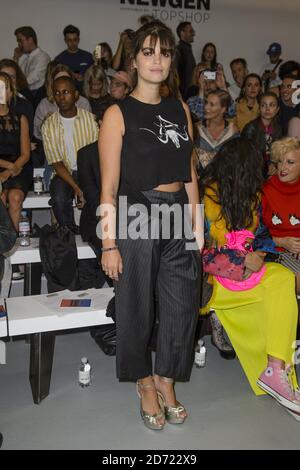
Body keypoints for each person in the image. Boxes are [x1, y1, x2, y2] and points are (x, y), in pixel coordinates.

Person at [99, 21, 203, 430]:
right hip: (137, 212)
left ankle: (166, 378)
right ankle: (143, 381)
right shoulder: (117, 113)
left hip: (179, 210)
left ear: (171, 60)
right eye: (148, 51)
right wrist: (109, 242)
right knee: (136, 306)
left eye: (164, 52)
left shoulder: (180, 109)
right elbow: (107, 186)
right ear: (135, 60)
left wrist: (197, 223)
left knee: (182, 306)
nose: (156, 59)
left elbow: (190, 169)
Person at [202, 137, 300, 420]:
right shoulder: (205, 198)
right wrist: (240, 261)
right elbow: (194, 254)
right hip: (213, 284)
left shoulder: (251, 196)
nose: (263, 173)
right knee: (277, 287)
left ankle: (275, 370)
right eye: (255, 168)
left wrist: (257, 252)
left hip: (248, 276)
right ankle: (282, 382)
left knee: (282, 279)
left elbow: (264, 238)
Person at [42, 76, 98, 230]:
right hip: (63, 174)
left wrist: (86, 185)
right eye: (57, 93)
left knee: (95, 196)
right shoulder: (48, 125)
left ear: (76, 95)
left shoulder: (91, 120)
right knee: (59, 197)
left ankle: (92, 232)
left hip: (89, 172)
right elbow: (56, 163)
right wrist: (77, 189)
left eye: (66, 92)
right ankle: (69, 233)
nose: (61, 97)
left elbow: (97, 156)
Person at [262, 137, 300, 294]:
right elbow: (251, 234)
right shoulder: (265, 191)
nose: (283, 167)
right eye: (280, 161)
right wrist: (280, 241)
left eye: (290, 162)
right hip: (275, 252)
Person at [0, 72, 32, 231]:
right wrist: (8, 167)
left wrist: (10, 171)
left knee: (15, 197)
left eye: (4, 87)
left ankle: (11, 241)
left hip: (18, 168)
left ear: (11, 93)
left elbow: (26, 154)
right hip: (8, 166)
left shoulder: (21, 118)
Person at [194, 89, 239, 175]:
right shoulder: (196, 128)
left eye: (212, 104)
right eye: (206, 103)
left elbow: (235, 161)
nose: (206, 107)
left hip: (223, 181)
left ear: (223, 109)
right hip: (199, 181)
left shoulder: (232, 130)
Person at [242, 92, 282, 178]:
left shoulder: (279, 129)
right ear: (259, 108)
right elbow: (245, 156)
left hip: (270, 169)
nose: (267, 109)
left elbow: (278, 152)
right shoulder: (250, 128)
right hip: (253, 170)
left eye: (271, 105)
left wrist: (274, 164)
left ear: (277, 109)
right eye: (263, 105)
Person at [55, 25, 93, 91]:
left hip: (86, 93)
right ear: (65, 40)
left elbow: (94, 77)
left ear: (78, 40)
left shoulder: (88, 56)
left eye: (75, 40)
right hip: (66, 94)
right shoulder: (59, 59)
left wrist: (84, 78)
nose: (72, 43)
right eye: (69, 40)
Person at [13, 26, 50, 94]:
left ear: (30, 39)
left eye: (20, 40)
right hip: (25, 94)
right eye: (18, 41)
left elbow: (28, 81)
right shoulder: (23, 57)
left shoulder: (43, 57)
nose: (19, 44)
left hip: (36, 96)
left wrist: (10, 86)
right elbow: (15, 75)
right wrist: (16, 58)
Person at [175, 22, 196, 100]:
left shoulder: (186, 49)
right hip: (184, 96)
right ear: (182, 33)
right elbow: (174, 74)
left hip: (188, 95)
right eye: (191, 31)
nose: (194, 33)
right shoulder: (179, 50)